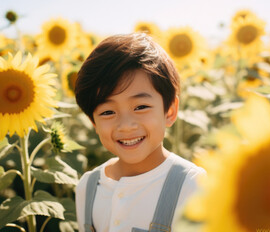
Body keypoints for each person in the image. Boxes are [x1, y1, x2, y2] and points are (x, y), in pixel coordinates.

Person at [74, 33, 206, 232]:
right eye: (108, 112)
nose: (126, 125)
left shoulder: (192, 186)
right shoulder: (88, 188)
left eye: (141, 107)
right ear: (94, 122)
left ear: (170, 111)